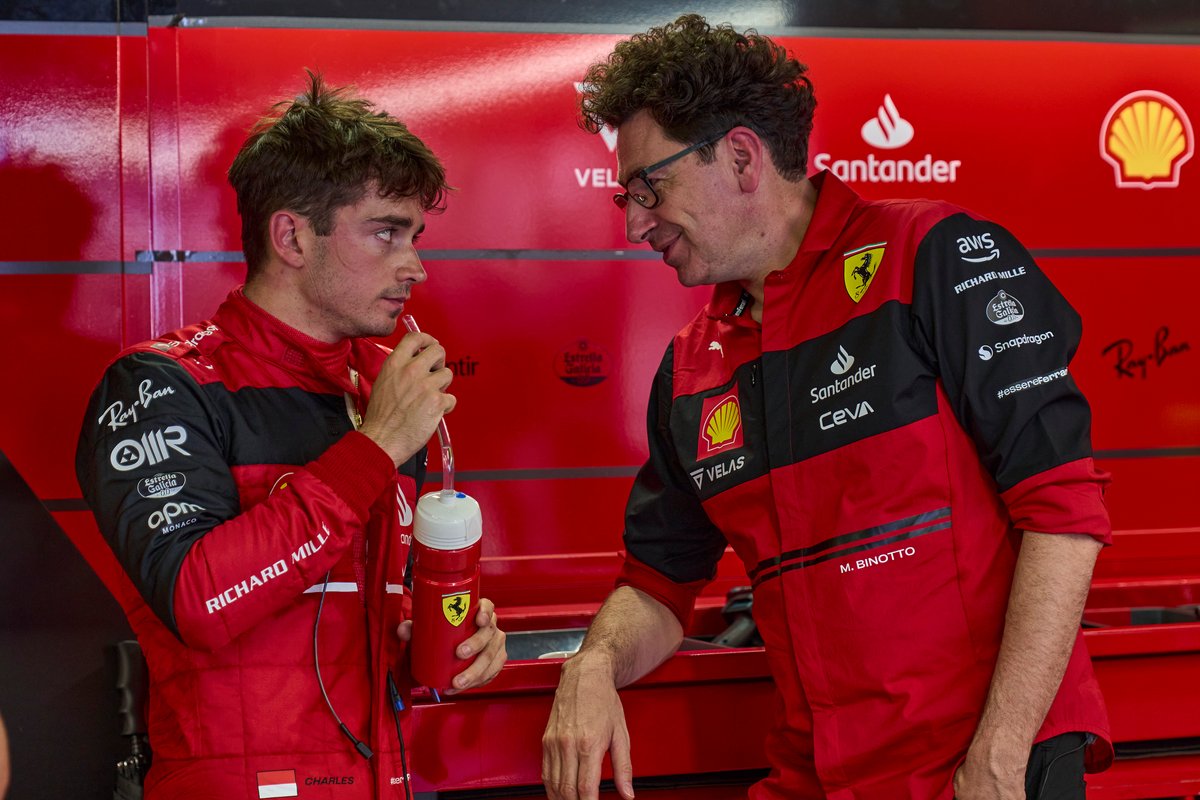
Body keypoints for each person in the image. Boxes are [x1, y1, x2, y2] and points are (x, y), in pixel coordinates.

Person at [542, 15, 1110, 800]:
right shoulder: (690, 368)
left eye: (650, 187)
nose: (635, 221)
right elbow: (659, 581)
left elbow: (1061, 511)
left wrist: (1001, 755)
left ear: (739, 157)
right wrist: (595, 660)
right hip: (816, 777)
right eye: (625, 195)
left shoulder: (930, 258)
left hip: (977, 769)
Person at [75, 71, 506, 798]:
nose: (416, 266)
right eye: (385, 233)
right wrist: (372, 450)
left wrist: (439, 634)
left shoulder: (375, 393)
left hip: (383, 777)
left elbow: (356, 614)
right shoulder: (161, 387)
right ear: (292, 236)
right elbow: (199, 600)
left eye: (414, 235)